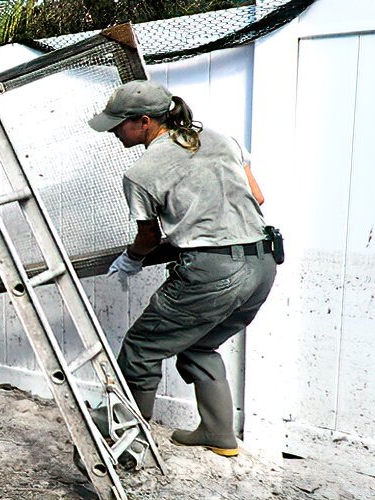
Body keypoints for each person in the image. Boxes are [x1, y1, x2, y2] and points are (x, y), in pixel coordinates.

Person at [92, 80, 275, 457]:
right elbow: (257, 196)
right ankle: (218, 432)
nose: (113, 131)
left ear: (144, 122)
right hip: (263, 263)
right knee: (199, 343)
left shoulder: (142, 172)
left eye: (118, 124)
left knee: (141, 349)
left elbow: (147, 238)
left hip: (212, 270)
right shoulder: (221, 139)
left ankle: (125, 449)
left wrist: (132, 259)